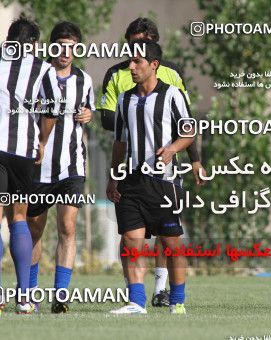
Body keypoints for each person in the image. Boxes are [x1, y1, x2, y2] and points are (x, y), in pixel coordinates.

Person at [98, 17, 205, 307]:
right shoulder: (124, 100)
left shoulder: (172, 95)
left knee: (170, 243)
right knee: (132, 240)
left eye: (137, 62)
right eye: (130, 61)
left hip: (164, 181)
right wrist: (113, 177)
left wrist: (173, 149)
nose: (131, 66)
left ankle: (177, 300)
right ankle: (136, 302)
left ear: (153, 64)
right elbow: (119, 143)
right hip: (131, 180)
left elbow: (188, 131)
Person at [27, 21, 94, 313]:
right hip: (38, 167)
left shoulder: (85, 80)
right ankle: (28, 293)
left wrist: (89, 115)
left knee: (68, 227)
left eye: (71, 47)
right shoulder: (37, 75)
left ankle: (61, 297)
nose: (65, 52)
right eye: (61, 46)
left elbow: (89, 113)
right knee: (33, 231)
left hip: (72, 166)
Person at [0, 16, 62, 314]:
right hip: (22, 151)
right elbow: (52, 108)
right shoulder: (43, 68)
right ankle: (24, 299)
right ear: (33, 44)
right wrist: (42, 141)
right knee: (19, 218)